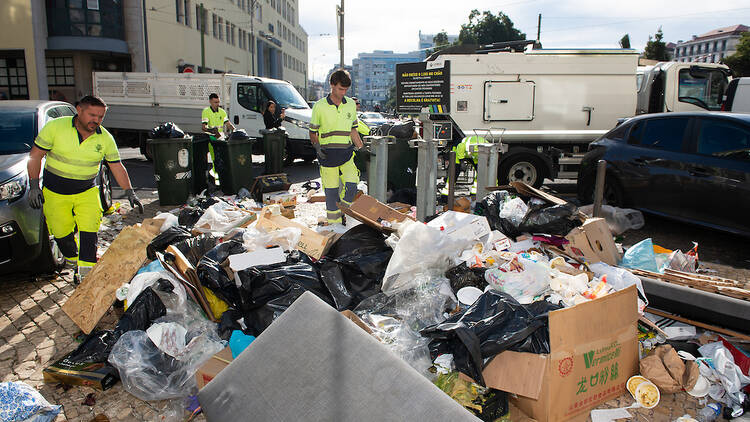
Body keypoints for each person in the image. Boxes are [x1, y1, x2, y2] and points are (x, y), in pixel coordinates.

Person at [27, 95, 142, 283]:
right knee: (61, 234)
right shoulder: (56, 128)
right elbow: (35, 156)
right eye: (92, 115)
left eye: (100, 117)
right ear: (79, 110)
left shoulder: (104, 138)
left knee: (89, 232)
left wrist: (129, 191)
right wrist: (33, 186)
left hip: (86, 191)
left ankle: (85, 275)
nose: (96, 120)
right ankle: (74, 261)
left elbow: (116, 166)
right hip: (55, 193)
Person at [309, 69, 364, 225]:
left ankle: (343, 210)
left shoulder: (351, 104)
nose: (343, 92)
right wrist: (318, 148)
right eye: (340, 89)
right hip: (327, 155)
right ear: (331, 85)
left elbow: (353, 130)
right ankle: (334, 225)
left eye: (346, 90)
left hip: (346, 153)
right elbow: (313, 132)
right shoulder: (319, 106)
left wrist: (361, 148)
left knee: (352, 185)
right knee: (331, 192)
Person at [201, 93, 235, 182]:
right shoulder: (206, 111)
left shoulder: (222, 112)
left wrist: (235, 130)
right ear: (210, 102)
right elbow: (204, 127)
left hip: (221, 137)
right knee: (215, 158)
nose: (217, 104)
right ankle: (217, 178)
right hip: (212, 138)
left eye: (218, 102)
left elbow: (227, 123)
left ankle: (220, 177)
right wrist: (212, 130)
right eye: (215, 102)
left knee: (222, 158)